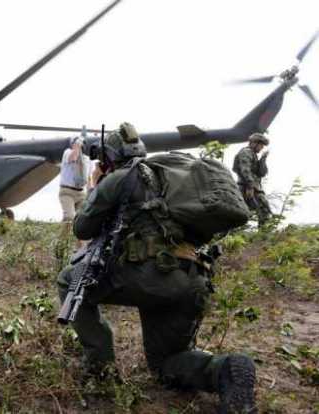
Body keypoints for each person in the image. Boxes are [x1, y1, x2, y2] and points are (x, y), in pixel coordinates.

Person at [57, 123, 257, 414]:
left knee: (68, 280)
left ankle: (100, 366)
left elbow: (82, 226)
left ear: (111, 158)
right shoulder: (173, 178)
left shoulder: (121, 179)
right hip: (193, 280)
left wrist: (97, 184)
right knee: (168, 362)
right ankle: (224, 369)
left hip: (149, 276)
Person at [233, 133, 272, 227]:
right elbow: (245, 170)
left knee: (241, 214)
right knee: (264, 210)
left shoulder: (253, 154)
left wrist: (263, 159)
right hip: (246, 187)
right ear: (254, 143)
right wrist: (250, 186)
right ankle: (263, 236)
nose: (262, 147)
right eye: (261, 145)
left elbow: (261, 173)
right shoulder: (246, 152)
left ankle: (262, 236)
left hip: (252, 187)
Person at [59, 136, 90, 222]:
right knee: (69, 217)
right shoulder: (68, 153)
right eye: (76, 144)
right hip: (67, 192)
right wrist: (78, 143)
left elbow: (88, 178)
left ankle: (73, 235)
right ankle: (64, 235)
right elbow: (74, 157)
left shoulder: (86, 159)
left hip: (81, 193)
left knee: (82, 221)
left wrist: (90, 194)